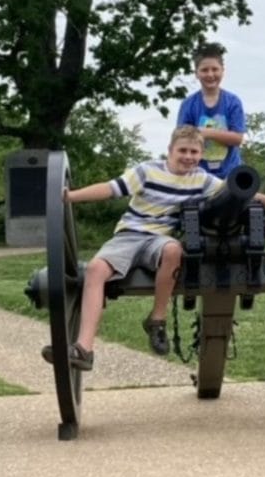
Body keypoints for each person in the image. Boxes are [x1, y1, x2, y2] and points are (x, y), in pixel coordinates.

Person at [41, 125, 225, 370]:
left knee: (173, 251)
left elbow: (235, 192)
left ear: (201, 154)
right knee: (95, 269)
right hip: (129, 234)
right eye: (183, 150)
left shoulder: (201, 179)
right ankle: (84, 349)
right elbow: (110, 188)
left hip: (159, 239)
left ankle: (157, 320)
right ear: (170, 150)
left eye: (194, 152)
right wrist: (71, 196)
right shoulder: (147, 171)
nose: (188, 157)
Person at [176, 42, 246, 178]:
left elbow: (240, 139)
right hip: (197, 173)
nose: (210, 74)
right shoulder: (188, 104)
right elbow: (181, 140)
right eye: (204, 70)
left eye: (215, 69)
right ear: (196, 73)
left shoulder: (233, 102)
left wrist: (206, 133)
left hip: (230, 173)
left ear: (222, 70)